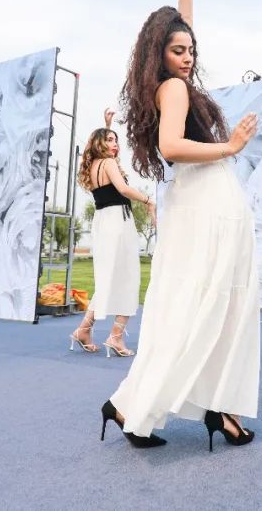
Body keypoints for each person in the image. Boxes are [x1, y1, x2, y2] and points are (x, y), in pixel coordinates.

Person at [100, 0, 260, 450]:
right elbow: (170, 146)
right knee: (214, 304)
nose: (188, 58)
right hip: (208, 198)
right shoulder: (173, 88)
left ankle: (140, 406)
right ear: (160, 53)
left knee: (202, 303)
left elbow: (180, 30)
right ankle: (214, 408)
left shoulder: (169, 82)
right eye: (178, 51)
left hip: (199, 199)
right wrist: (230, 147)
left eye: (191, 50)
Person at [70, 108, 155, 357]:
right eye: (109, 139)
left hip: (103, 222)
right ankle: (115, 337)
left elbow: (95, 150)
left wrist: (106, 126)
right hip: (118, 221)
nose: (115, 143)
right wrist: (148, 200)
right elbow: (123, 189)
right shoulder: (108, 163)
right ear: (100, 144)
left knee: (108, 279)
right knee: (128, 278)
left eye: (116, 140)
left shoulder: (94, 165)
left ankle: (83, 330)